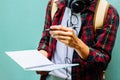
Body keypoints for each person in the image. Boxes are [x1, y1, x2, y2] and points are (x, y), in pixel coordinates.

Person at [37, 0, 119, 80]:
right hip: (51, 77)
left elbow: (102, 62)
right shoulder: (54, 4)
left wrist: (77, 45)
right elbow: (45, 40)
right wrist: (41, 59)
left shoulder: (108, 12)